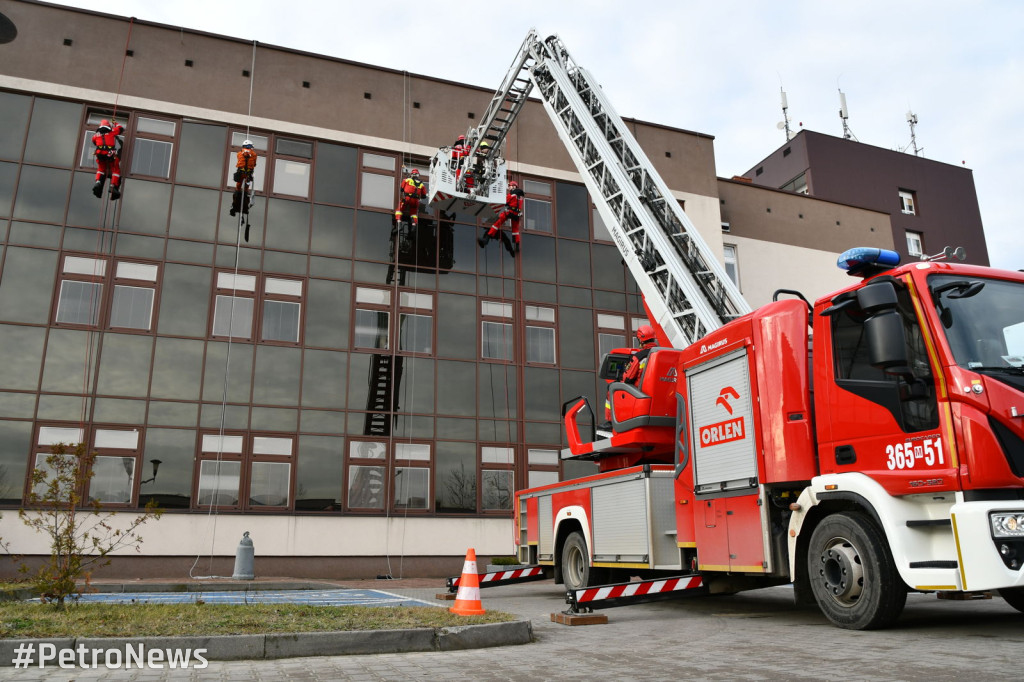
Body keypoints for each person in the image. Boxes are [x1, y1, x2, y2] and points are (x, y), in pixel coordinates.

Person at [603, 325, 659, 427]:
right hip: (659, 398)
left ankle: (610, 422)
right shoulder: (663, 354)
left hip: (640, 393)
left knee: (611, 388)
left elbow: (627, 378)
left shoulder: (639, 357)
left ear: (641, 341)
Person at [478, 179, 525, 255]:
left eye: (509, 186)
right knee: (515, 230)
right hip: (517, 214)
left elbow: (505, 201)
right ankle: (517, 246)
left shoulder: (512, 194)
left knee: (496, 224)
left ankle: (486, 239)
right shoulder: (521, 197)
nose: (509, 188)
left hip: (510, 212)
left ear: (513, 186)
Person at [91, 119, 125, 200]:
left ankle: (98, 182)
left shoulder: (96, 135)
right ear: (108, 126)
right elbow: (121, 128)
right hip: (110, 154)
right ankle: (113, 185)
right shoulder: (112, 131)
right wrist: (115, 122)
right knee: (115, 169)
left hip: (99, 154)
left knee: (101, 168)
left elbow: (94, 142)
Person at [229, 139, 258, 217]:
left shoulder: (239, 153)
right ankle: (245, 191)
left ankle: (238, 191)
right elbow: (254, 164)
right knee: (247, 185)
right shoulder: (254, 154)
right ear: (249, 146)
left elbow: (239, 160)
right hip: (248, 173)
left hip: (240, 172)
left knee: (239, 184)